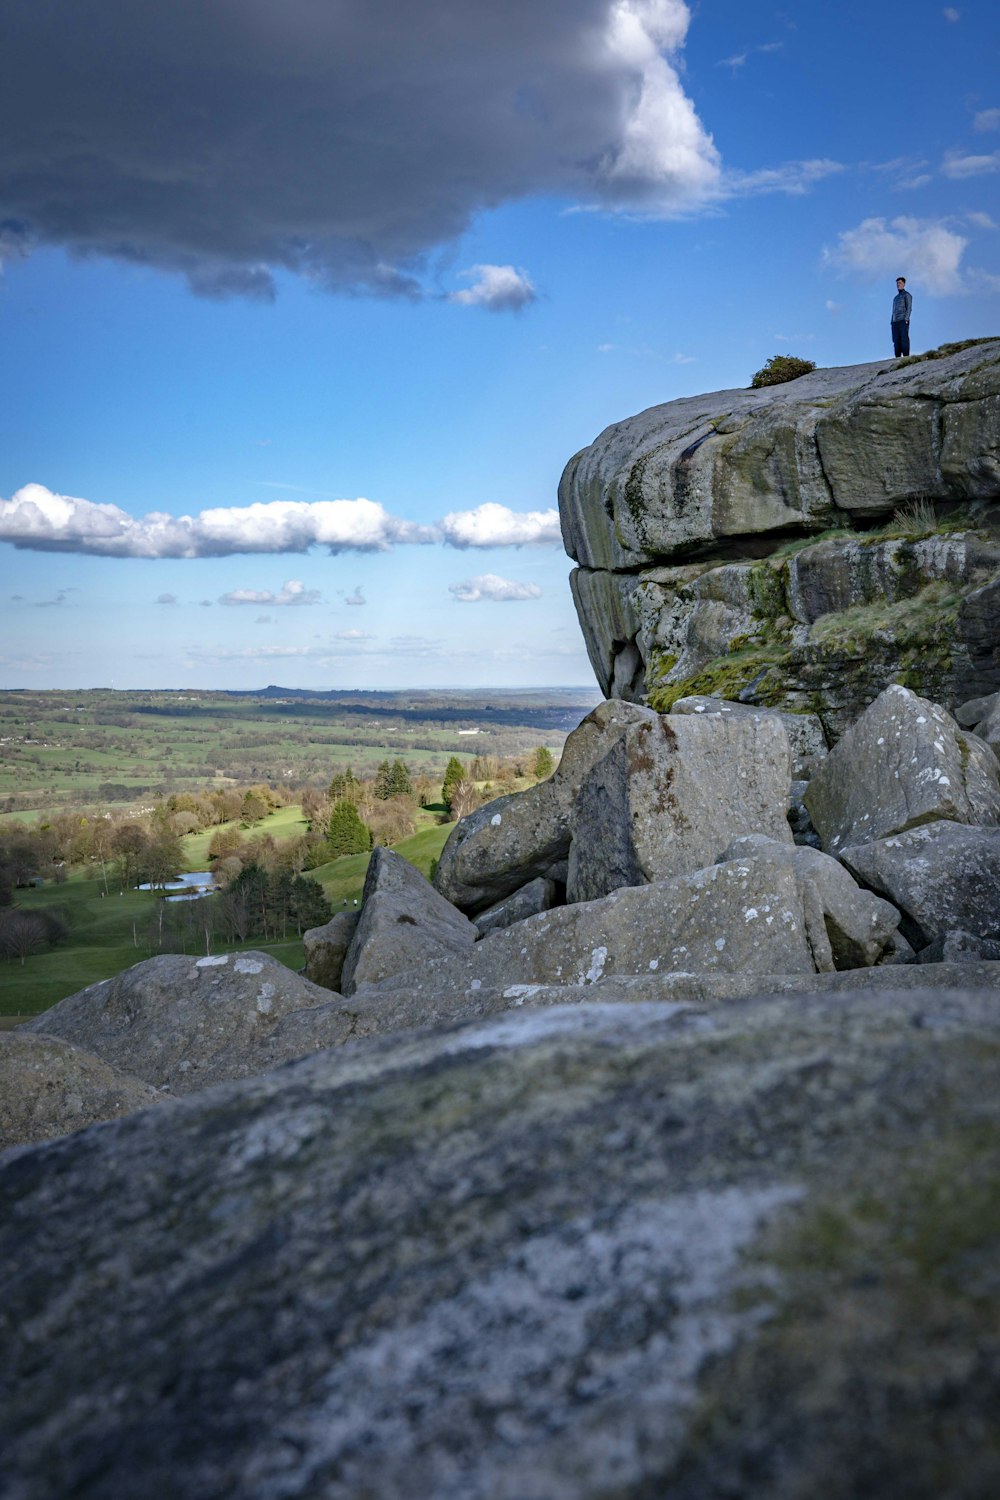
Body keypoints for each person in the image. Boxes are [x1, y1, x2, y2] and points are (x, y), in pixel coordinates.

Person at [891, 276, 912, 357]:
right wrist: (892, 321)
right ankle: (897, 357)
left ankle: (906, 356)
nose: (898, 285)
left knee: (904, 339)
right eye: (897, 283)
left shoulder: (907, 295)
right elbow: (893, 310)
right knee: (896, 340)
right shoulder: (895, 298)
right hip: (895, 321)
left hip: (903, 320)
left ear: (904, 284)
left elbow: (909, 307)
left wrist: (906, 318)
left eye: (900, 283)